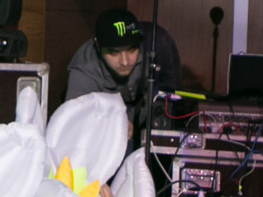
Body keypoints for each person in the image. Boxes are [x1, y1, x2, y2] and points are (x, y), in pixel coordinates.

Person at [61, 8, 179, 142]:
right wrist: (110, 122)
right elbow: (74, 124)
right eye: (113, 52)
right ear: (97, 45)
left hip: (151, 109)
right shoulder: (83, 70)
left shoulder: (159, 42)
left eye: (132, 49)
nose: (125, 62)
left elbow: (172, 92)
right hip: (106, 125)